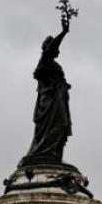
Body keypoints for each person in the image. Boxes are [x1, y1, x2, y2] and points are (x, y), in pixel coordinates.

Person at [19, 17, 73, 168]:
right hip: (49, 101)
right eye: (51, 46)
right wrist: (63, 32)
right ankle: (43, 154)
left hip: (58, 98)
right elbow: (51, 50)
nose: (56, 50)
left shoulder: (53, 63)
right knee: (56, 124)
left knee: (61, 125)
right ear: (47, 48)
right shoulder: (45, 60)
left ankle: (53, 154)